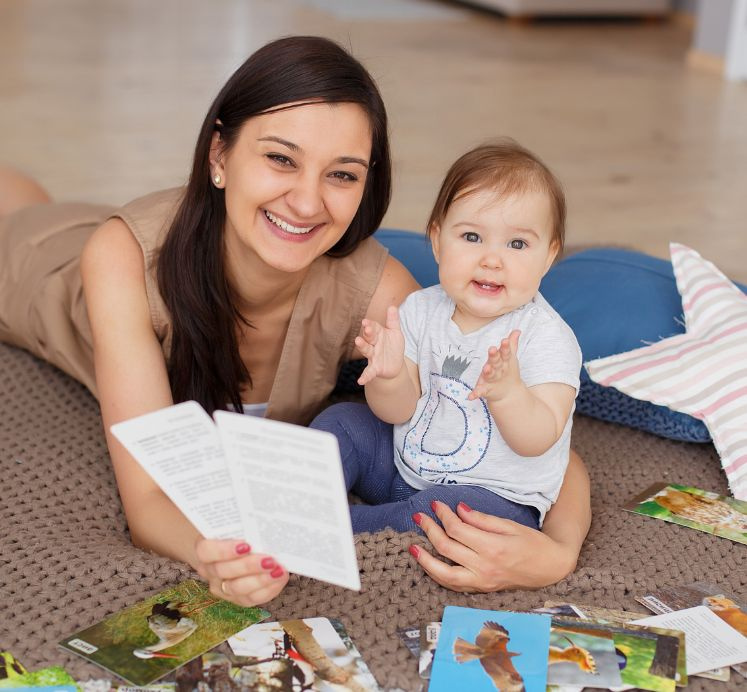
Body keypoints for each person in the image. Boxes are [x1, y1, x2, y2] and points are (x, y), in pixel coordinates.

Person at [0, 35, 590, 607]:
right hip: (43, 271)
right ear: (219, 155)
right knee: (21, 217)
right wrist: (212, 552)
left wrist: (557, 553)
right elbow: (149, 496)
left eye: (342, 174)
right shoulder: (123, 260)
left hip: (139, 231)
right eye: (281, 158)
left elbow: (538, 447)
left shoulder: (380, 293)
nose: (307, 203)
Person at [311, 141, 581, 535]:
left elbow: (538, 439)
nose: (492, 259)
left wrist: (509, 394)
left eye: (517, 244)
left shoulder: (546, 337)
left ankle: (336, 528)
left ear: (549, 256)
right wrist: (388, 377)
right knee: (345, 421)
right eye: (472, 237)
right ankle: (303, 494)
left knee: (443, 516)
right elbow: (397, 412)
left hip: (493, 499)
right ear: (438, 241)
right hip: (404, 469)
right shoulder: (420, 309)